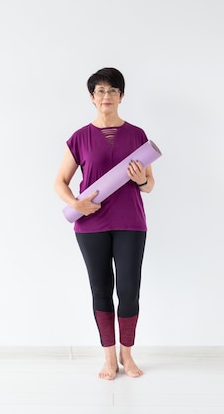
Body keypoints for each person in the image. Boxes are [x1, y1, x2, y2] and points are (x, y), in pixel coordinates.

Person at [54, 67, 155, 380]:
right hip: (90, 225)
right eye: (100, 91)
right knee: (101, 289)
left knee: (128, 289)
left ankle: (128, 354)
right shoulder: (79, 137)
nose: (106, 96)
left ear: (121, 96)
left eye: (113, 90)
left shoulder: (137, 135)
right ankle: (109, 358)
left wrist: (141, 181)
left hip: (130, 222)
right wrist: (75, 203)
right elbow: (60, 181)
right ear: (91, 97)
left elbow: (150, 185)